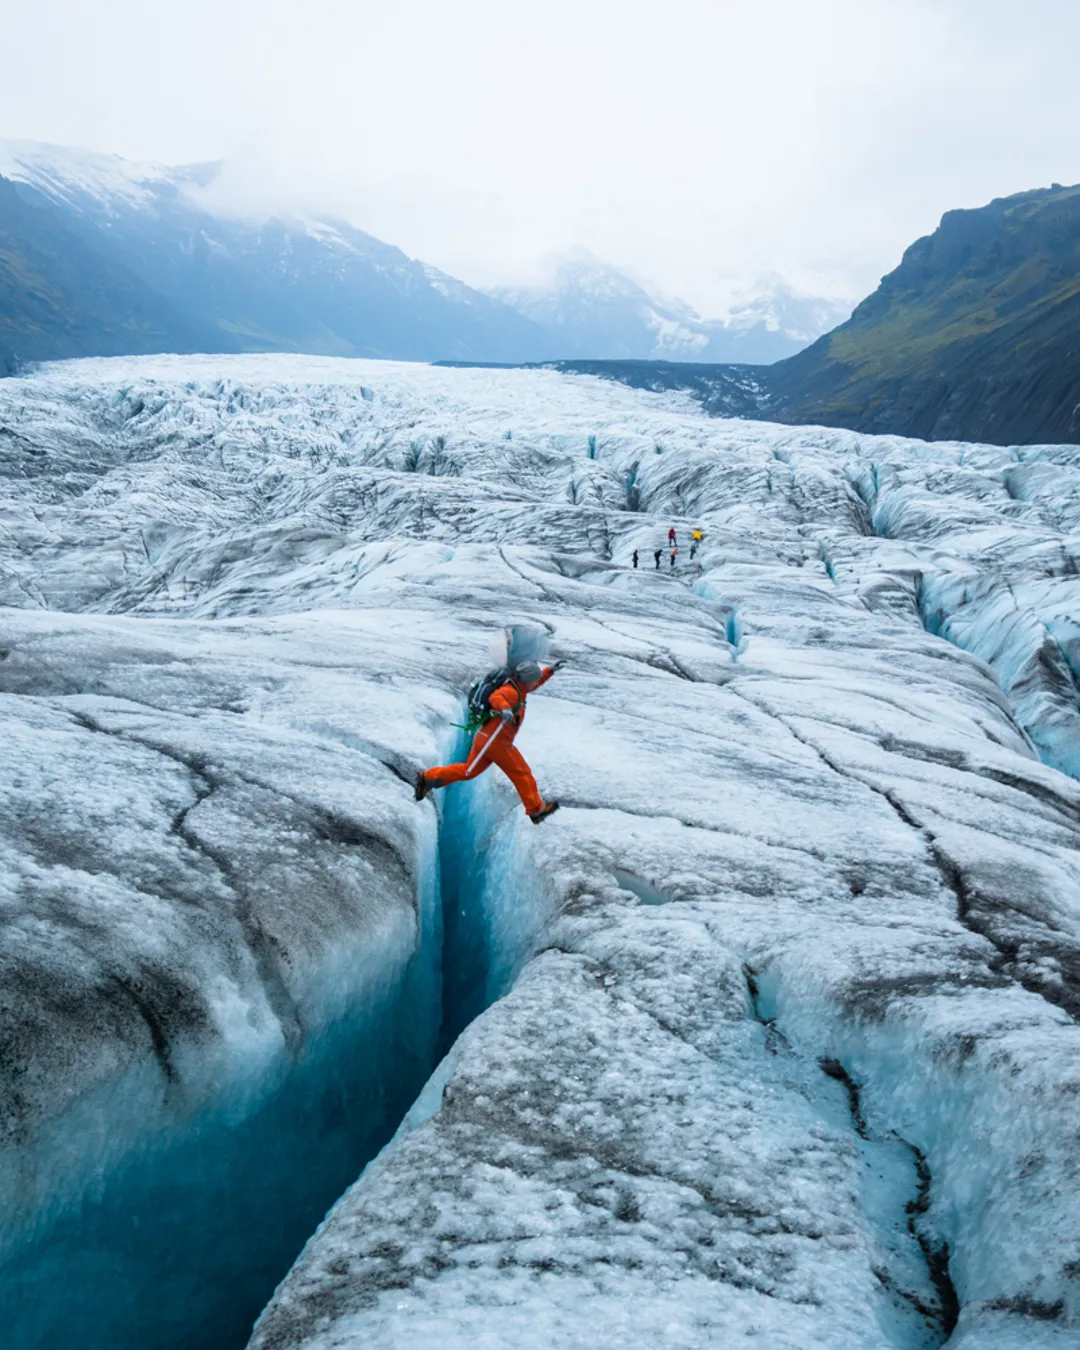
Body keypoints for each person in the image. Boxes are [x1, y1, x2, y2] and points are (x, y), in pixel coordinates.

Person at [415, 660, 560, 823]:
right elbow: (496, 697)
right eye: (534, 679)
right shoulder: (511, 692)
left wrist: (550, 671)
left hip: (484, 738)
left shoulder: (520, 688)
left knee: (468, 771)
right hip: (497, 743)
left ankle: (427, 778)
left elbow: (534, 683)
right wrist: (504, 708)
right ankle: (536, 810)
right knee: (522, 773)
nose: (536, 683)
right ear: (527, 680)